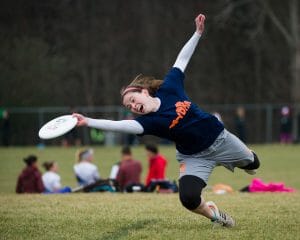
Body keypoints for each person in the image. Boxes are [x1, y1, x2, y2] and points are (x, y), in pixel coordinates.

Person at [73, 13, 260, 227]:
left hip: (221, 140)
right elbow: (119, 126)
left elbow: (182, 59)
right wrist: (87, 121)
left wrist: (197, 33)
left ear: (144, 91)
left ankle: (247, 161)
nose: (133, 106)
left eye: (133, 100)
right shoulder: (148, 122)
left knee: (254, 163)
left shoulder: (170, 87)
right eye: (129, 106)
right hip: (194, 157)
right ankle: (216, 216)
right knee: (188, 198)